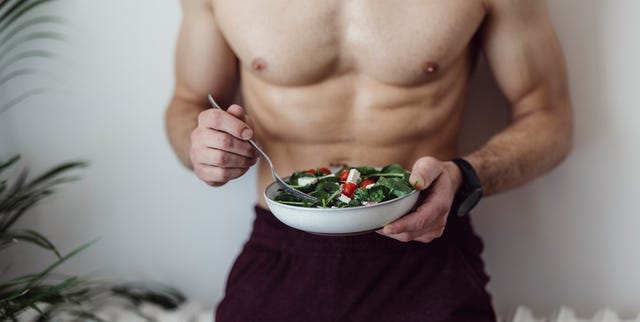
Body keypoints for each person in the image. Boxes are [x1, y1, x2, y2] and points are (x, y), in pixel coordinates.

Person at [165, 0, 573, 321]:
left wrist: (466, 175)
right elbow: (188, 102)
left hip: (427, 248)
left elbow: (550, 118)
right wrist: (202, 145)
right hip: (283, 248)